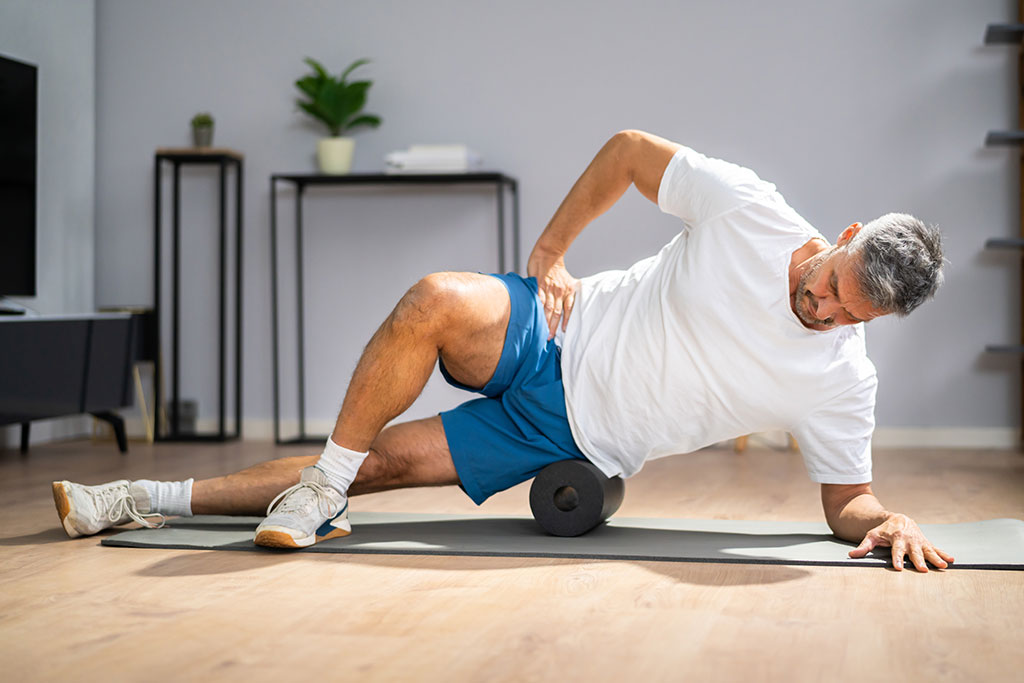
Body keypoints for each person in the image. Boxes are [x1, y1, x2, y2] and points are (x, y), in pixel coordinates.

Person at [52, 130, 953, 572]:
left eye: (851, 315)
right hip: (561, 323)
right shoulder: (753, 212)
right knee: (436, 298)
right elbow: (632, 152)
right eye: (832, 282)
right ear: (839, 237)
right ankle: (319, 486)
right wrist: (551, 254)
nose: (824, 308)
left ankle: (133, 498)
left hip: (572, 437)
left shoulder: (841, 377)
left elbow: (846, 496)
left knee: (385, 465)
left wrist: (883, 519)